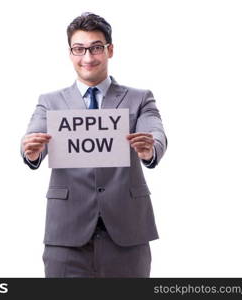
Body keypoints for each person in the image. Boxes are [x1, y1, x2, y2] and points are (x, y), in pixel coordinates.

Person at [21, 12, 167, 277]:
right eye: (79, 49)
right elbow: (33, 138)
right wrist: (31, 150)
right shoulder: (49, 102)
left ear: (109, 50)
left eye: (96, 48)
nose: (87, 57)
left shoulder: (140, 98)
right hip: (66, 236)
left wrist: (150, 149)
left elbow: (155, 133)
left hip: (127, 235)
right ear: (70, 53)